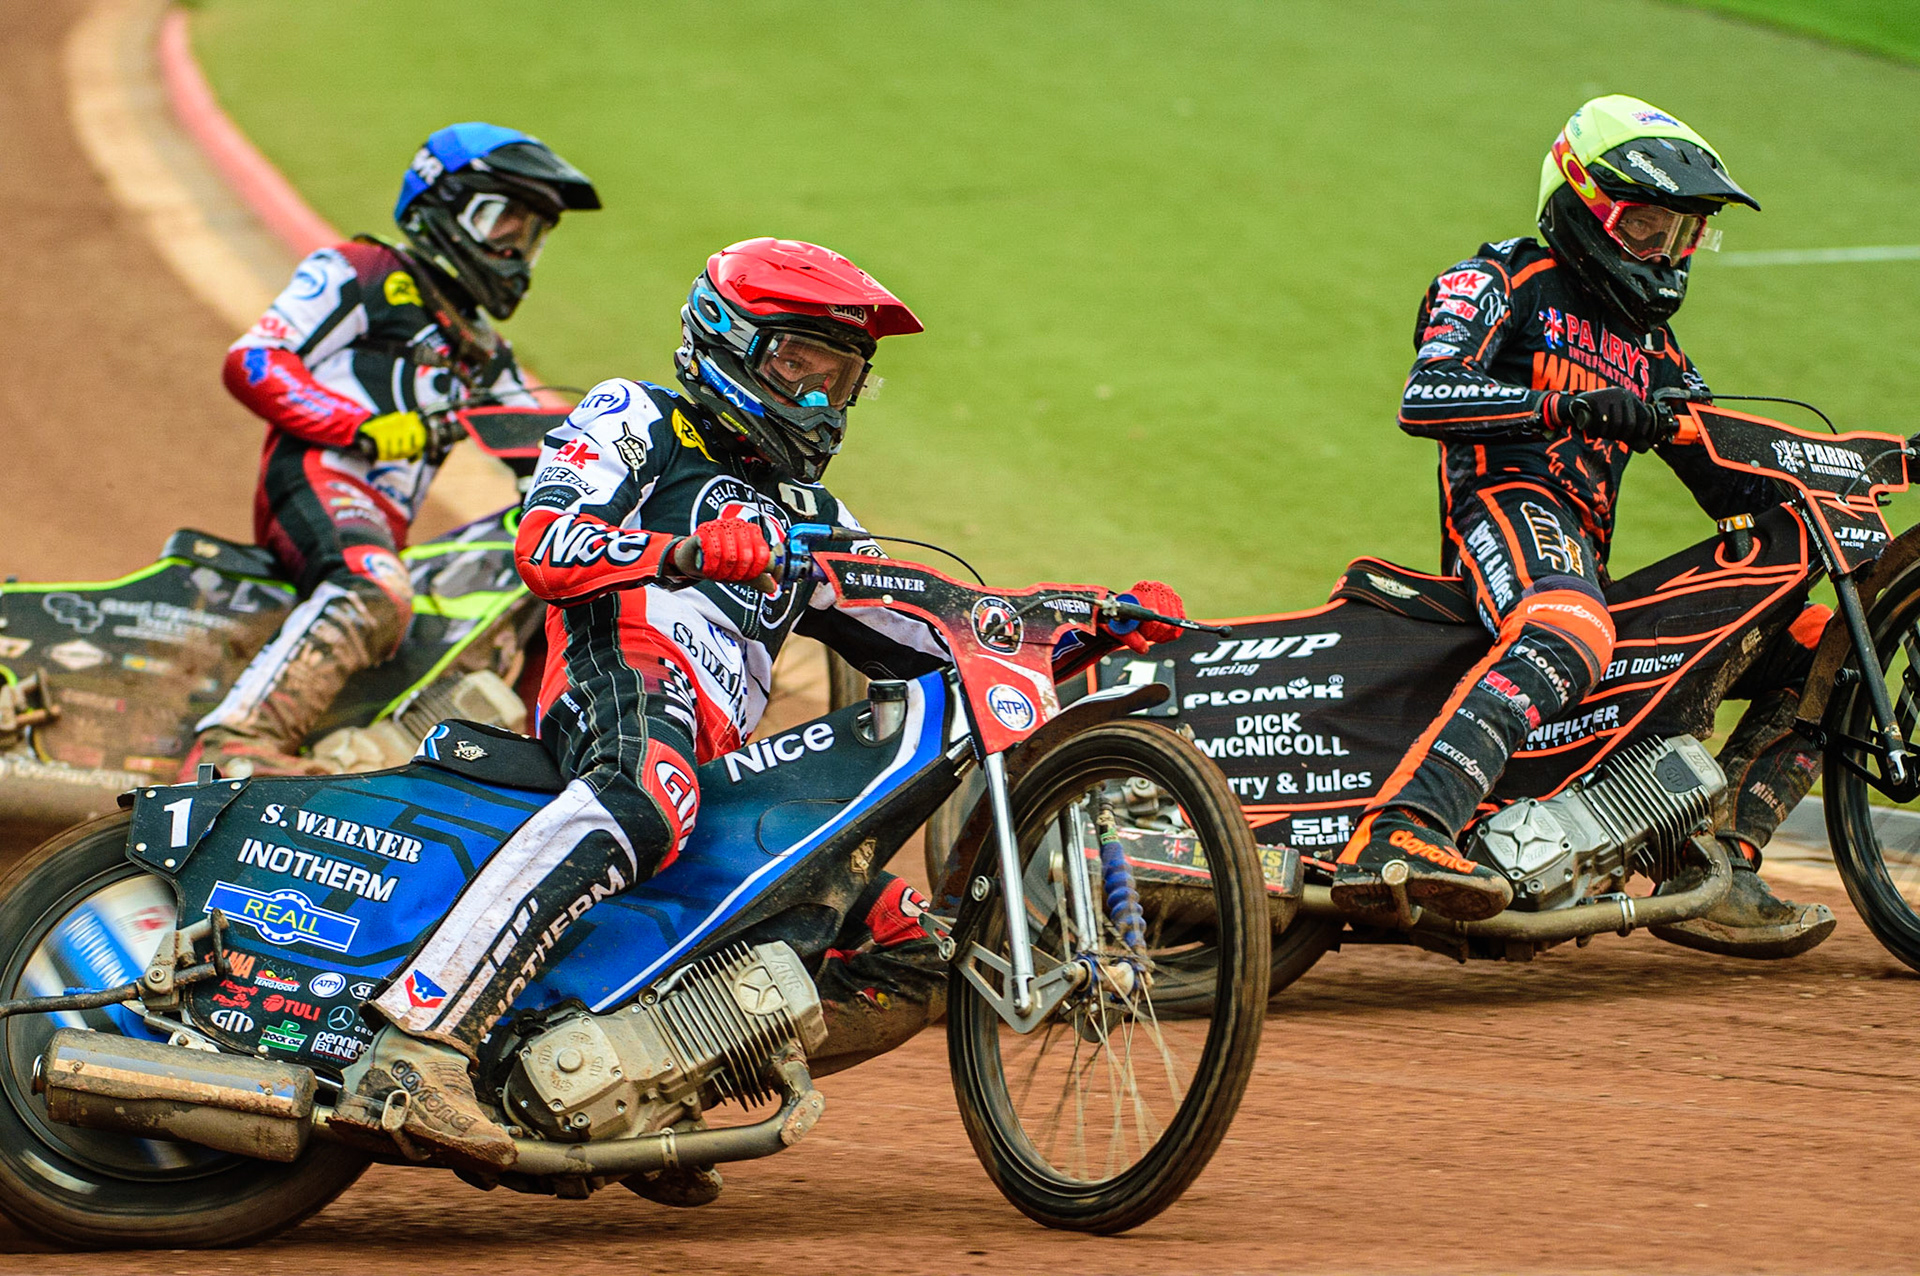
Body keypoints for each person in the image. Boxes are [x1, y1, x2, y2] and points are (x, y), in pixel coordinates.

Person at [332, 237, 1188, 1178]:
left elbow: (925, 636)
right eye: (798, 366)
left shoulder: (814, 512)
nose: (820, 401)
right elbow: (545, 545)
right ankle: (418, 1045)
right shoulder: (639, 416)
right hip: (617, 690)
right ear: (725, 341)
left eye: (841, 379)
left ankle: (648, 1093)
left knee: (914, 945)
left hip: (714, 768)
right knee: (648, 793)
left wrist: (1076, 627)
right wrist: (687, 553)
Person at [1333, 96, 1835, 958]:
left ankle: (1720, 868)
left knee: (1818, 645)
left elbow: (1732, 481)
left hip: (1585, 570)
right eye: (1645, 227)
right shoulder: (1497, 279)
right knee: (1569, 623)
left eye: (1682, 234)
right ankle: (1400, 833)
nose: (1665, 253)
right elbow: (1426, 396)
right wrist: (1566, 404)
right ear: (1581, 203)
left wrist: (1858, 468)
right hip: (1507, 510)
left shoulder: (1658, 351)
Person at [183, 122, 600, 778]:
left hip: (385, 524)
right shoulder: (364, 270)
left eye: (531, 236)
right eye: (502, 222)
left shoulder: (484, 351)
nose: (515, 251)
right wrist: (361, 427)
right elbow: (255, 358)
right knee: (376, 587)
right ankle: (234, 743)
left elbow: (547, 444)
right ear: (443, 207)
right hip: (319, 478)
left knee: (531, 588)